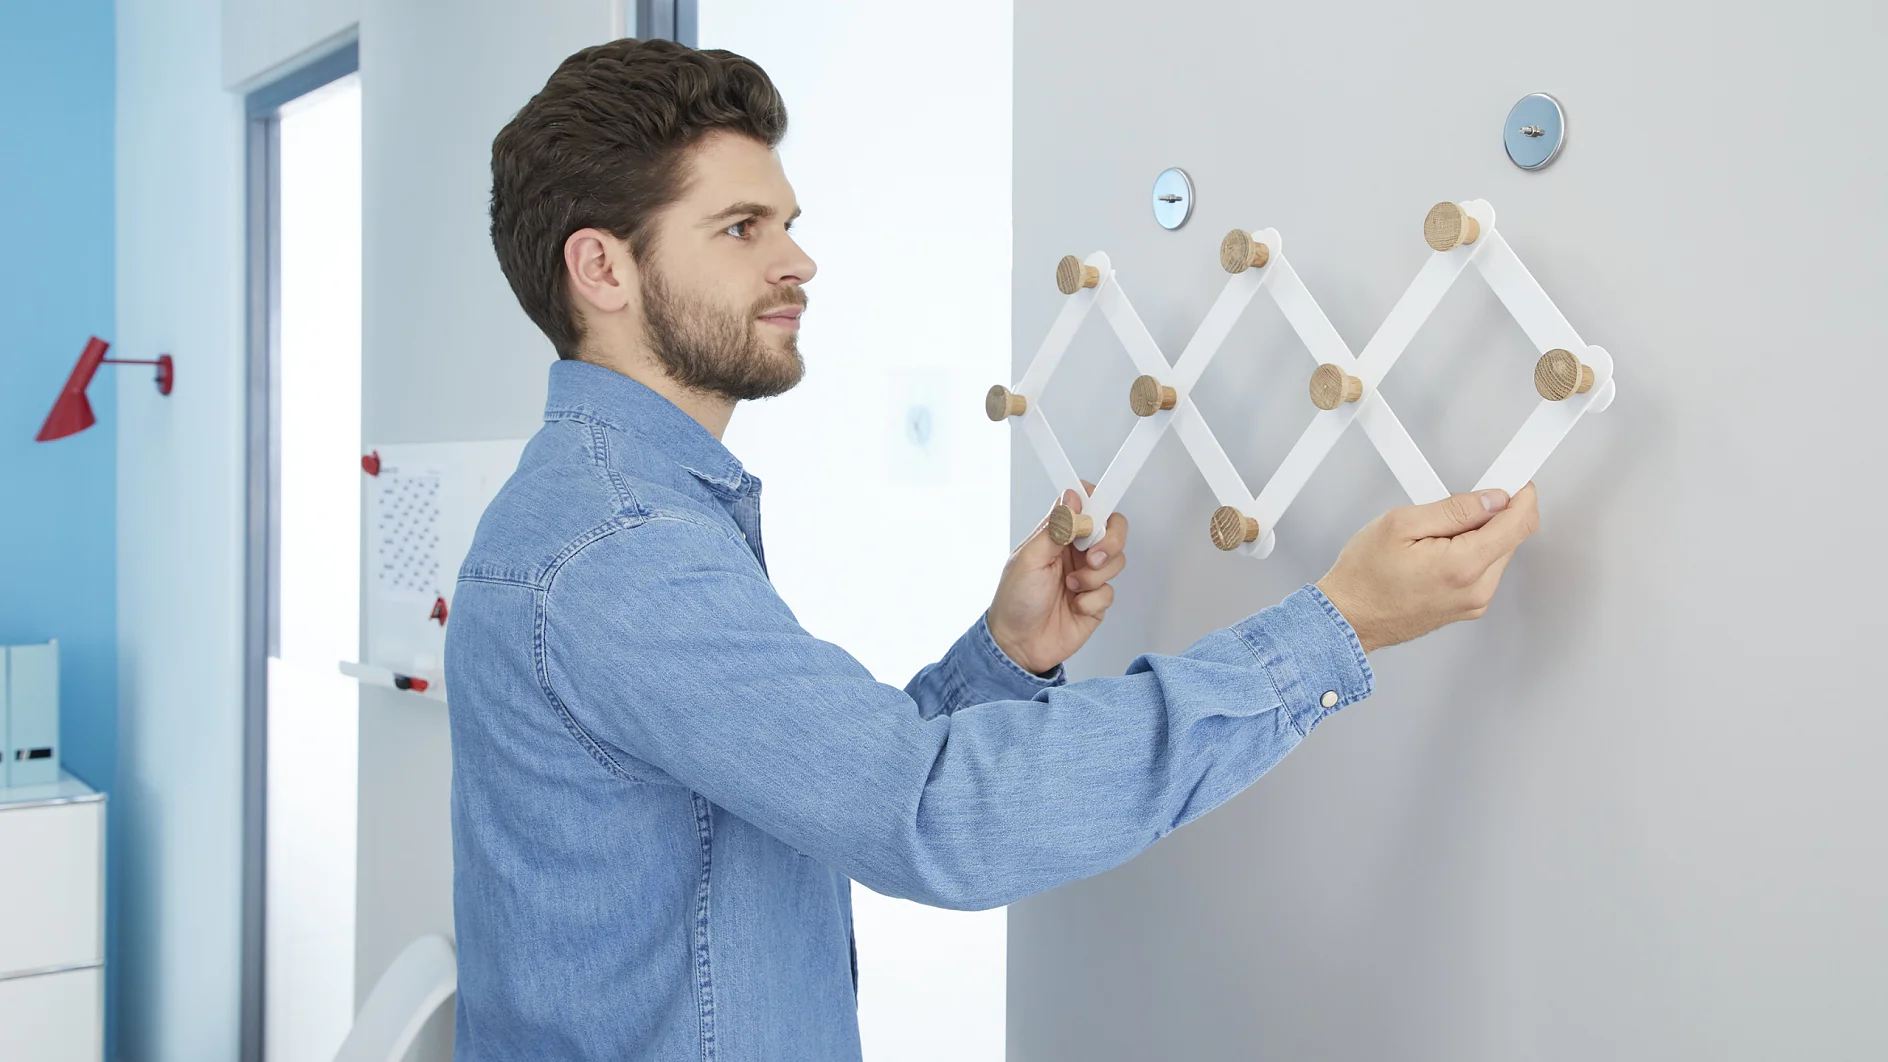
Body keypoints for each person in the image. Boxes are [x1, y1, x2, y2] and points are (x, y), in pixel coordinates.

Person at [448, 36, 1540, 1062]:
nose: (799, 261)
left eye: (787, 221)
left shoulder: (621, 517)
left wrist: (1003, 661)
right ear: (602, 269)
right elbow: (931, 817)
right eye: (742, 228)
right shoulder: (623, 551)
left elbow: (828, 784)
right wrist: (1334, 628)